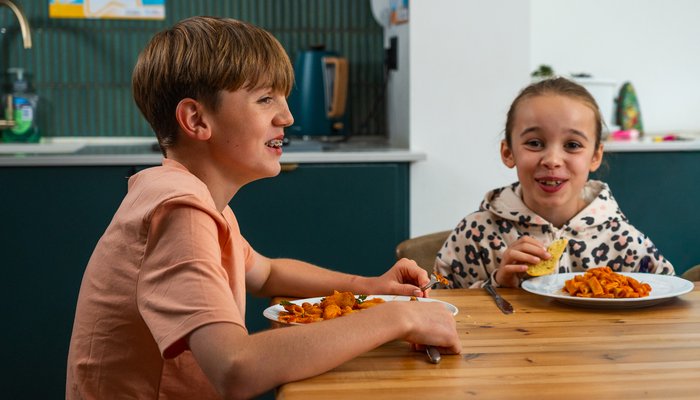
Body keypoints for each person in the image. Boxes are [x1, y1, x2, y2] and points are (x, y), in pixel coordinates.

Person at [66, 16, 461, 400]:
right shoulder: (180, 210)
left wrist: (368, 288)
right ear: (196, 119)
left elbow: (266, 273)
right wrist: (397, 318)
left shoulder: (196, 198)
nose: (287, 116)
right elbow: (236, 368)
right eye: (265, 98)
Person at [435, 77, 675, 289]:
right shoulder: (476, 234)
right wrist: (497, 283)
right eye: (535, 143)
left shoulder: (624, 241)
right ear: (508, 153)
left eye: (572, 145)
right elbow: (437, 301)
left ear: (595, 157)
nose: (552, 160)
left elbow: (668, 296)